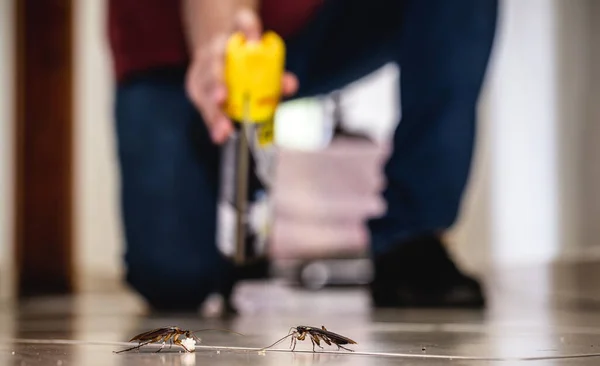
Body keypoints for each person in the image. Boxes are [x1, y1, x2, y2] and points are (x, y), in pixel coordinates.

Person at [107, 0, 499, 312]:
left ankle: (412, 236)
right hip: (169, 44)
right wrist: (224, 47)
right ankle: (227, 240)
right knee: (172, 280)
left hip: (319, 22)